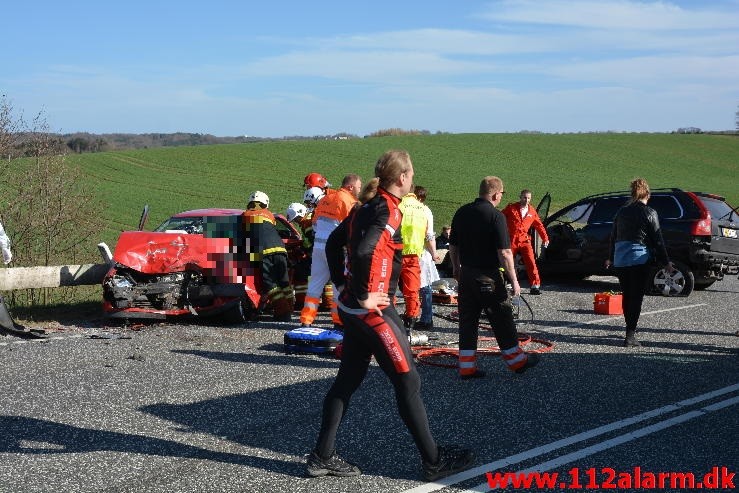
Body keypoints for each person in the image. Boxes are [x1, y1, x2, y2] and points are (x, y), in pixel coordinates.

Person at [307, 149, 473, 481]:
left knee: (347, 381)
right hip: (371, 311)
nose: (413, 178)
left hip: (354, 310)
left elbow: (331, 243)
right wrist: (367, 296)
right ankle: (433, 460)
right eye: (411, 174)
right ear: (401, 178)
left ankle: (322, 456)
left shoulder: (363, 207)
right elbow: (366, 249)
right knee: (408, 379)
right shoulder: (387, 211)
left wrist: (341, 287)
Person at [449, 177, 541, 379]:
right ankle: (518, 362)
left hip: (466, 275)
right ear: (495, 194)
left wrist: (456, 268)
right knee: (502, 319)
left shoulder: (462, 212)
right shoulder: (496, 216)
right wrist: (515, 281)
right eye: (501, 194)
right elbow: (506, 253)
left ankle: (466, 367)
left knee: (467, 322)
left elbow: (453, 246)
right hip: (488, 276)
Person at [606, 178, 674, 347]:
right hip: (638, 258)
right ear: (647, 194)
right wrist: (666, 261)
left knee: (627, 295)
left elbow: (613, 236)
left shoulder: (621, 212)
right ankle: (630, 334)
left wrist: (610, 256)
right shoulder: (650, 212)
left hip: (620, 258)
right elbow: (657, 239)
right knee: (636, 297)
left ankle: (630, 330)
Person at [299, 174, 361, 328]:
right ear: (351, 186)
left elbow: (314, 225)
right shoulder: (350, 202)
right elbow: (353, 228)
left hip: (319, 248)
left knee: (314, 286)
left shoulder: (325, 200)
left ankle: (306, 320)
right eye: (359, 187)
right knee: (338, 286)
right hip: (336, 250)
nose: (360, 189)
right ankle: (338, 321)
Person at [243, 191, 294, 322]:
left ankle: (283, 313)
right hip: (281, 249)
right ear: (265, 203)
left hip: (263, 251)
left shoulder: (245, 215)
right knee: (284, 281)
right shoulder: (269, 214)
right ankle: (290, 308)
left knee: (271, 284)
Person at [501, 189, 549, 295]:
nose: (526, 200)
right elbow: (499, 218)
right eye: (524, 197)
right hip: (511, 239)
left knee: (531, 261)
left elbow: (539, 225)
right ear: (520, 197)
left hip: (525, 240)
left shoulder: (532, 211)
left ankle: (535, 286)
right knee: (506, 260)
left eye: (528, 198)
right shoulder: (511, 208)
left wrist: (545, 238)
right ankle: (505, 281)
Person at [398, 187, 428, 330]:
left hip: (395, 252)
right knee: (412, 290)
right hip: (413, 254)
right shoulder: (422, 208)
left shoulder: (398, 203)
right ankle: (411, 319)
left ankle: (387, 319)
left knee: (387, 288)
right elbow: (427, 231)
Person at [414, 186, 441, 331]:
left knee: (423, 287)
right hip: (421, 252)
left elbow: (429, 235)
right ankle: (424, 317)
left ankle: (425, 318)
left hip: (418, 252)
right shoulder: (426, 211)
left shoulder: (421, 211)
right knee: (423, 287)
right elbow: (429, 236)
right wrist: (434, 252)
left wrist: (433, 252)